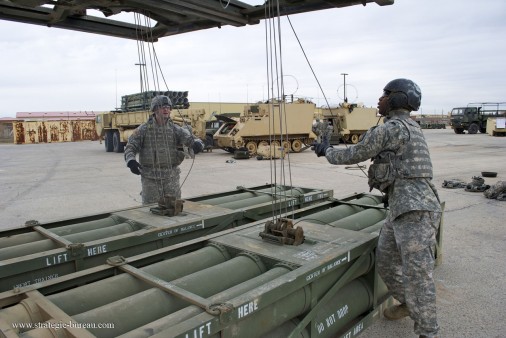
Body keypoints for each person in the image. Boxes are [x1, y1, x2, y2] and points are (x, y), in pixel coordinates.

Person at [313, 78, 442, 338]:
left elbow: (353, 154)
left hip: (415, 211)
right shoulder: (408, 127)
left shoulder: (393, 128)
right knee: (385, 261)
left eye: (385, 94)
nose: (379, 99)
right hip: (400, 208)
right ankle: (408, 303)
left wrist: (326, 149)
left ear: (397, 99)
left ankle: (428, 331)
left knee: (418, 277)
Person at [124, 95, 205, 204]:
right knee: (151, 209)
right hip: (150, 178)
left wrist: (197, 145)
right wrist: (131, 161)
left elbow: (192, 139)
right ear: (155, 109)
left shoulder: (175, 128)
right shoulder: (144, 129)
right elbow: (131, 146)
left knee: (174, 208)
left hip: (171, 177)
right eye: (162, 107)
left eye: (168, 107)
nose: (166, 109)